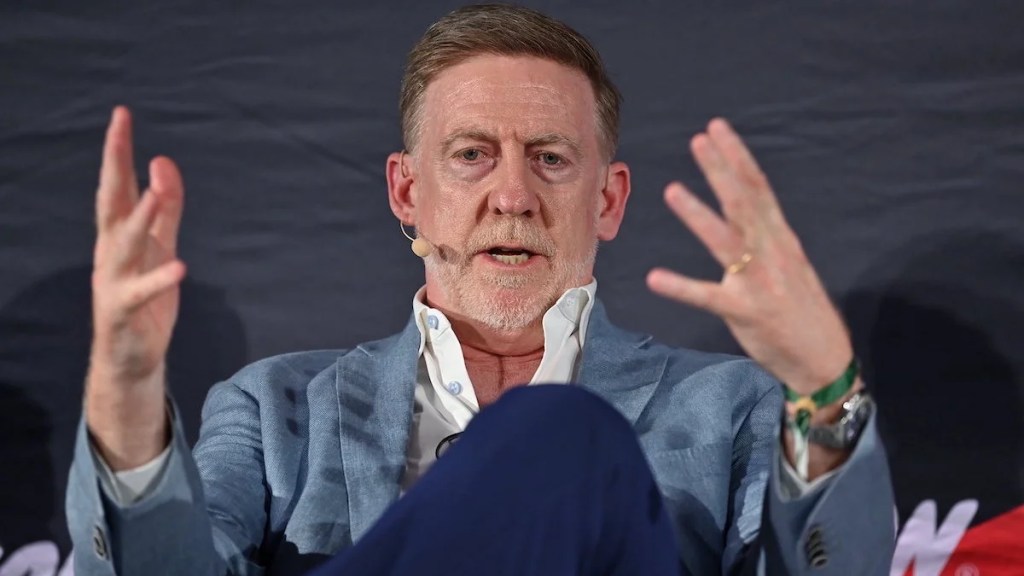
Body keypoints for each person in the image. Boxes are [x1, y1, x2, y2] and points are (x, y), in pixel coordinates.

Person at [67, 4, 895, 575]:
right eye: (471, 155)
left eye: (551, 157)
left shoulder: (733, 405)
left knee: (565, 432)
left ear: (606, 200)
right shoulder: (277, 407)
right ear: (406, 193)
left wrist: (825, 390)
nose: (512, 195)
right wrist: (127, 391)